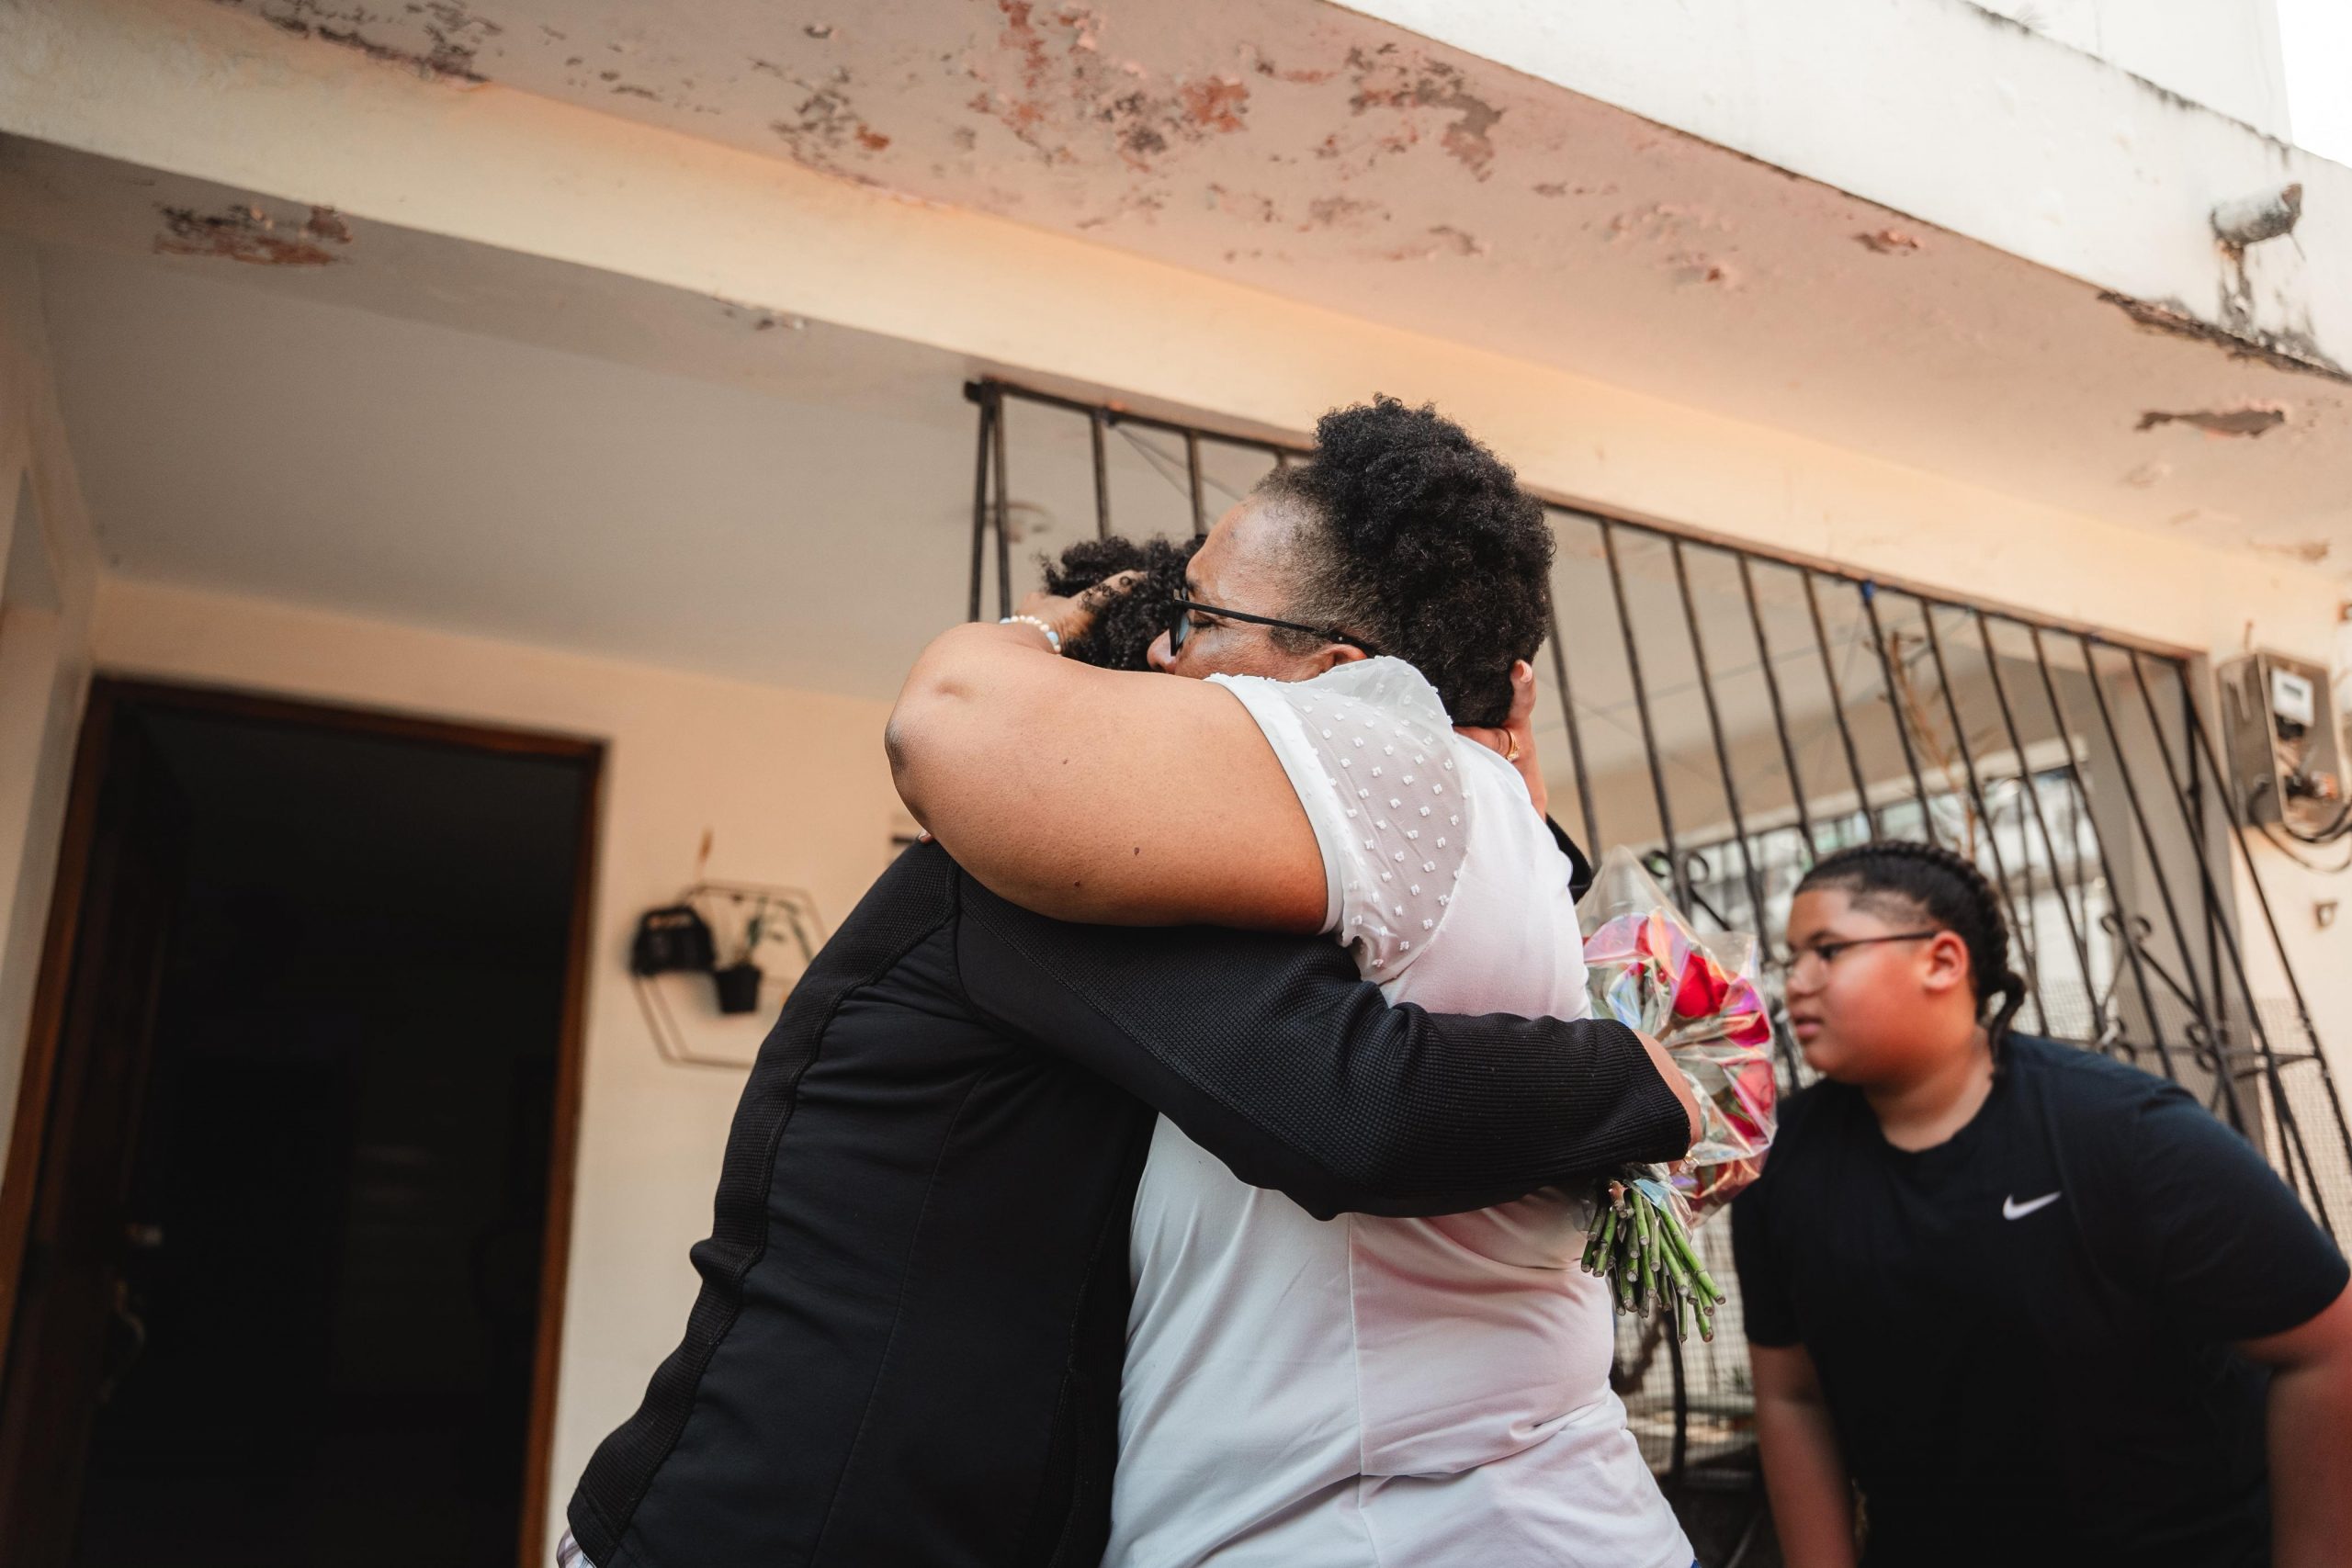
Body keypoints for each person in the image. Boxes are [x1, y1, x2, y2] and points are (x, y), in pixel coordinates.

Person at [558, 535, 1698, 1568]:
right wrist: (1642, 1083)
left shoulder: (1191, 891)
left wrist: (1513, 815)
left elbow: (1407, 944)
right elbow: (1362, 1105)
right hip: (794, 1522)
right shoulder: (1048, 883)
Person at [888, 397, 1695, 1565]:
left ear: (1343, 684)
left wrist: (1037, 626)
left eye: (1199, 616)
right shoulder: (1481, 820)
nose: (1166, 650)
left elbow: (951, 722)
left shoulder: (1403, 763)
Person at [1732, 839, 2352, 1568]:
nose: (1793, 982)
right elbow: (1792, 1397)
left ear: (1942, 961)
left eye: (1827, 950)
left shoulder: (2122, 1132)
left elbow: (2326, 1348)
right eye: (1789, 956)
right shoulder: (1778, 1163)